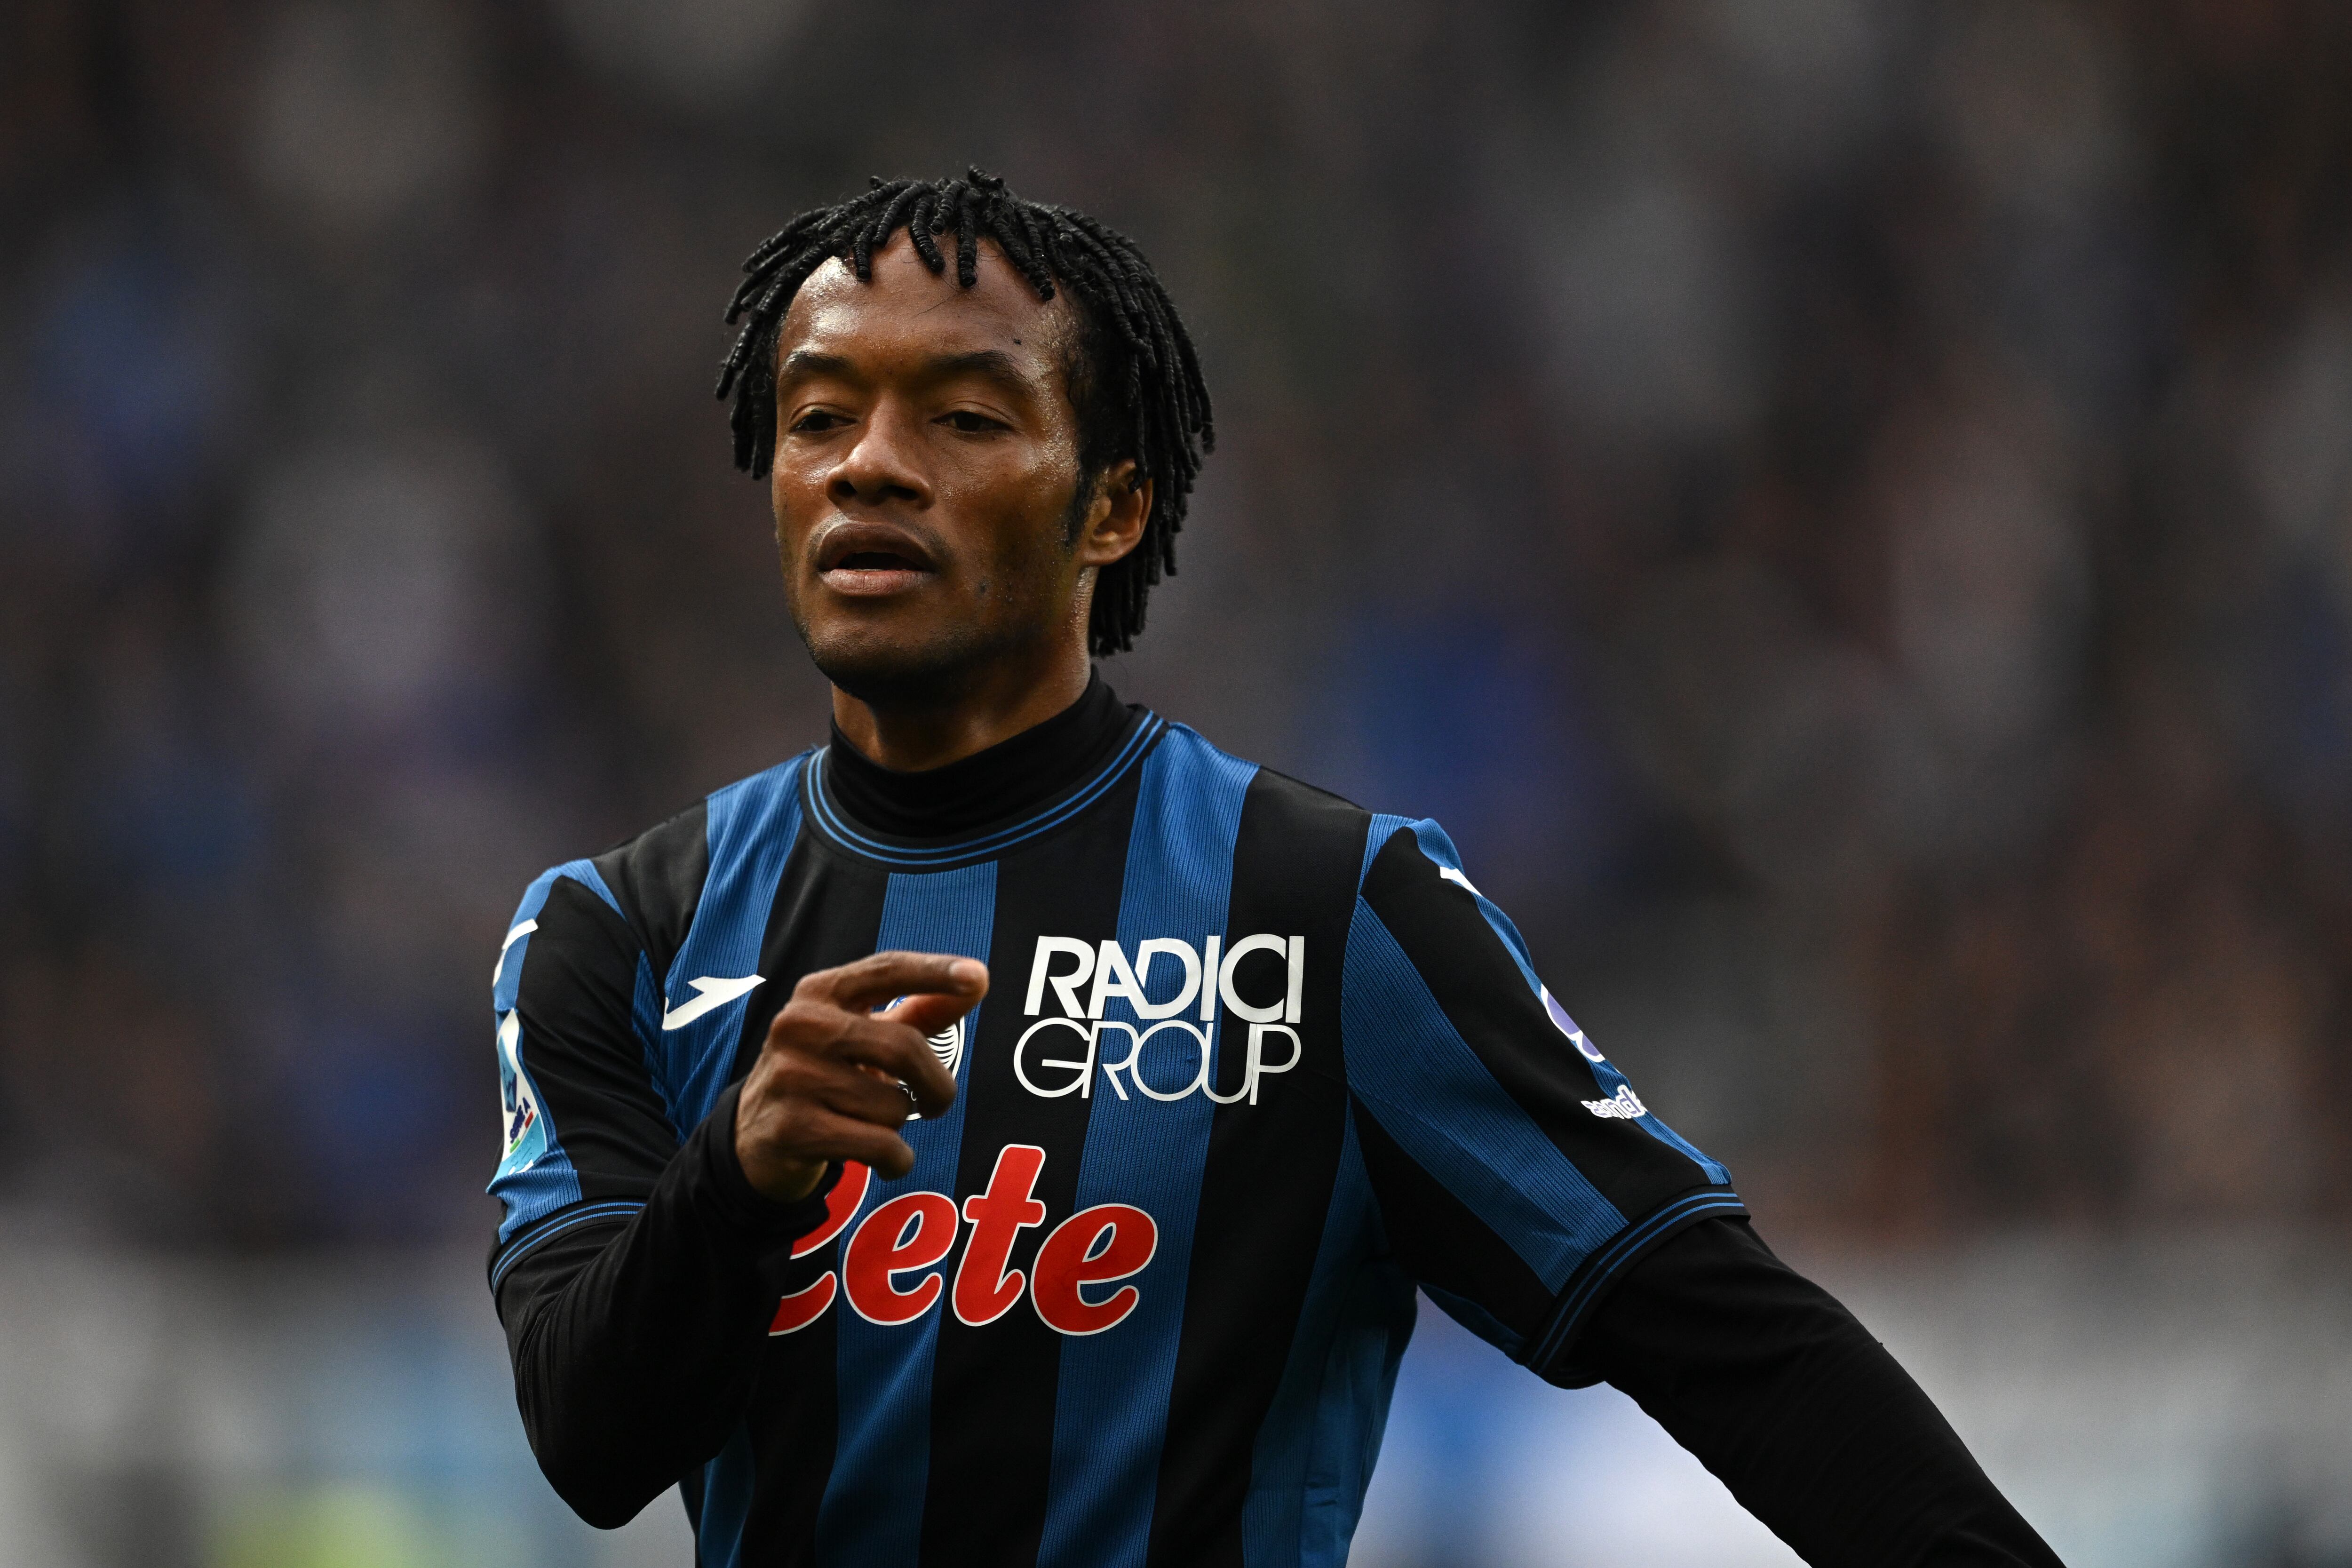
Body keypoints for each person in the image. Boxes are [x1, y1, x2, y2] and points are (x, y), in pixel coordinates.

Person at [486, 169, 2062, 1568]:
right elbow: (589, 1444)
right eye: (820, 417)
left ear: (1115, 506)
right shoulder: (617, 936)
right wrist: (734, 1181)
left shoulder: (1326, 917)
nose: (869, 467)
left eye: (964, 418)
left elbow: (1724, 1337)